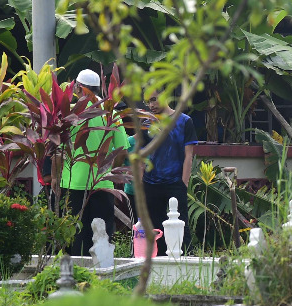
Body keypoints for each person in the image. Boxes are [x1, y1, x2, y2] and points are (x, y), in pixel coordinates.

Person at [57, 68, 127, 256]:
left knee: (74, 235)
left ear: (79, 88)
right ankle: (101, 276)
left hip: (72, 183)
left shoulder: (70, 115)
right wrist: (109, 169)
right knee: (102, 235)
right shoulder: (111, 114)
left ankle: (76, 276)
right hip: (102, 183)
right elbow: (122, 150)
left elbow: (56, 148)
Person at [136, 94, 198, 256]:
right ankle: (159, 262)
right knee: (155, 227)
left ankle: (186, 260)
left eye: (155, 99)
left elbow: (188, 156)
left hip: (175, 183)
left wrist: (183, 183)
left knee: (181, 224)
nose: (151, 104)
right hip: (150, 183)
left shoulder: (184, 121)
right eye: (148, 101)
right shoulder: (147, 123)